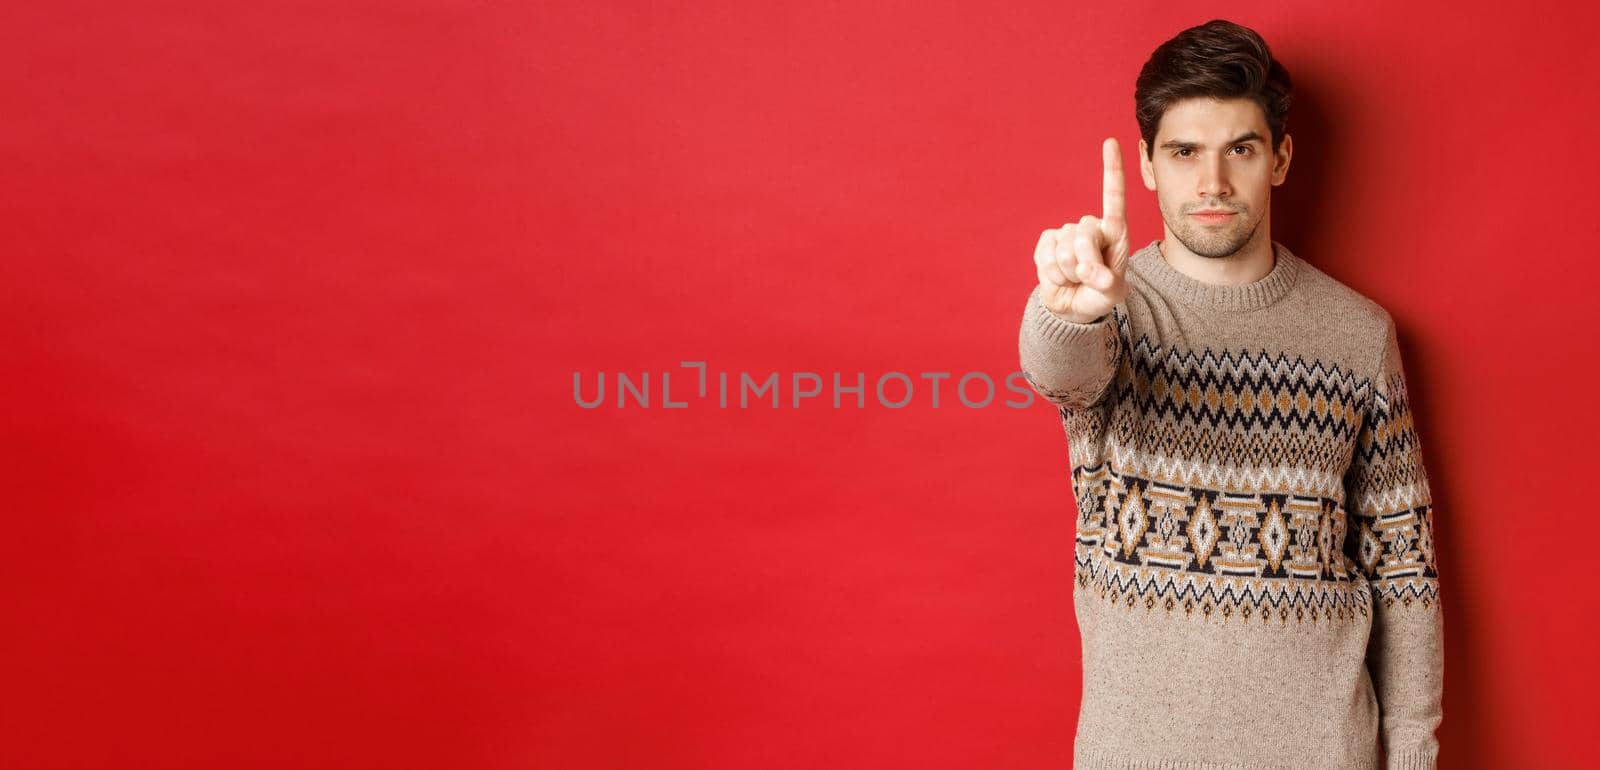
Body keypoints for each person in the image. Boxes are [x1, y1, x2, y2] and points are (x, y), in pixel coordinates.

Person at [1017, 19, 1443, 770]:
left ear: (1279, 159)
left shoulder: (1358, 334)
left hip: (1323, 752)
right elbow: (1058, 370)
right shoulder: (1109, 311)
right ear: (1149, 166)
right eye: (1184, 152)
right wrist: (1066, 307)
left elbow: (1404, 571)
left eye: (1239, 150)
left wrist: (1411, 757)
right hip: (1135, 753)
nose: (1212, 182)